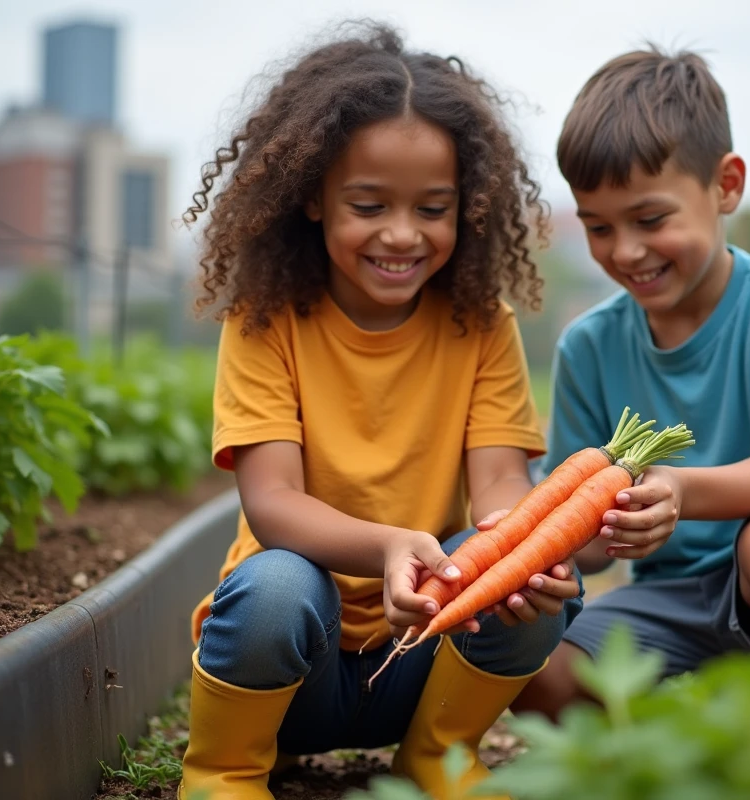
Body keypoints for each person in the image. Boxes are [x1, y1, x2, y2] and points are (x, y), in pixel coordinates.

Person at [178, 22, 583, 800]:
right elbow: (273, 506)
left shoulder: (482, 324)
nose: (402, 234)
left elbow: (500, 483)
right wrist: (398, 544)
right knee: (274, 589)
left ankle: (438, 756)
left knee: (523, 574)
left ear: (466, 207)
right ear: (311, 199)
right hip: (294, 673)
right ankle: (225, 769)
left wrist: (518, 549)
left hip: (427, 656)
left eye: (432, 208)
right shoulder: (266, 320)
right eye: (368, 205)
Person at [511, 45, 750, 721]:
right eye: (599, 228)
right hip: (677, 593)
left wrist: (679, 490)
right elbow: (595, 548)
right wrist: (557, 541)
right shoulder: (588, 345)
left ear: (725, 186)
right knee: (540, 681)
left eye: (650, 220)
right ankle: (688, 736)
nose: (625, 252)